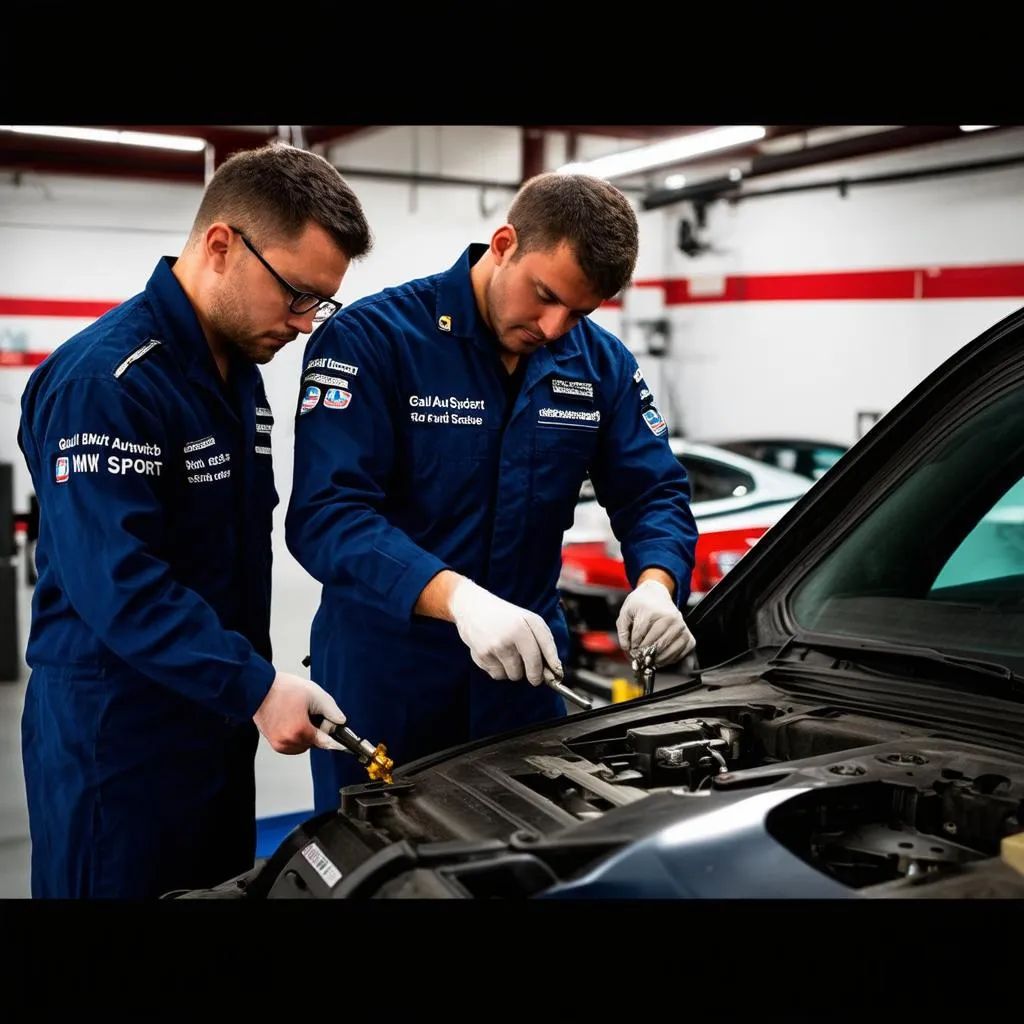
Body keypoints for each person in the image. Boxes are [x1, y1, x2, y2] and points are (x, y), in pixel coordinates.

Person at [17, 141, 374, 899]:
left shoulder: (241, 375)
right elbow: (121, 584)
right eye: (296, 294)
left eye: (322, 302)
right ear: (221, 246)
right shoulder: (106, 382)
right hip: (119, 741)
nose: (308, 323)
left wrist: (245, 690)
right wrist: (254, 686)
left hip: (210, 728)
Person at [286, 171, 699, 812]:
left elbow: (654, 494)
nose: (556, 327)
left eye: (581, 312)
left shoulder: (602, 365)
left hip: (525, 685)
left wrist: (657, 584)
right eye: (545, 296)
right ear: (504, 243)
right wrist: (460, 600)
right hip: (387, 680)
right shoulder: (375, 340)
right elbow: (326, 516)